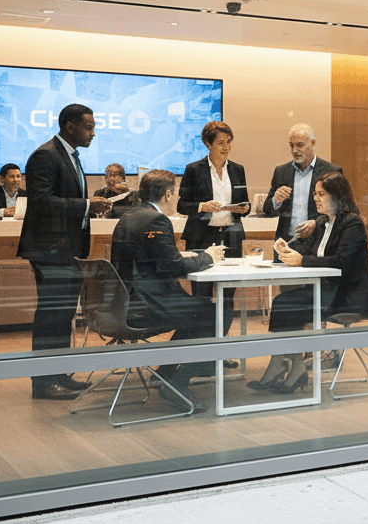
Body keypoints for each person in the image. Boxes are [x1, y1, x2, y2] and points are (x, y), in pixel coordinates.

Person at [250, 172, 368, 394]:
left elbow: (341, 262)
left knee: (286, 304)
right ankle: (291, 366)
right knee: (284, 302)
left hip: (353, 296)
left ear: (338, 196)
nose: (316, 198)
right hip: (332, 291)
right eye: (315, 194)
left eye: (321, 194)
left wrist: (302, 261)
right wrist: (288, 249)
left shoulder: (353, 224)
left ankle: (287, 366)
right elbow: (311, 251)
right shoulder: (323, 222)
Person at [18, 103, 113, 399]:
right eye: (89, 127)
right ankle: (44, 383)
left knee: (63, 315)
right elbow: (42, 202)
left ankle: (59, 374)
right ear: (70, 127)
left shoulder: (70, 155)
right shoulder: (46, 155)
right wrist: (87, 205)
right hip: (50, 250)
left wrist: (90, 209)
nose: (94, 133)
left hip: (67, 249)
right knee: (51, 315)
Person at [111, 169, 224, 413]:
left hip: (123, 304)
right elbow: (173, 266)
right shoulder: (156, 220)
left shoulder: (130, 217)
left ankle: (166, 373)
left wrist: (177, 256)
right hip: (147, 306)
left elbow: (153, 259)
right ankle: (177, 380)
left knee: (196, 311)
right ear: (168, 194)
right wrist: (208, 257)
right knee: (218, 311)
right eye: (176, 195)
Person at [177, 121, 250, 338]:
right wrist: (201, 206)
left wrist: (244, 208)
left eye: (229, 142)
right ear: (208, 144)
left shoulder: (238, 169)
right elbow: (182, 205)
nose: (226, 147)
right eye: (220, 143)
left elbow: (243, 203)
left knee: (228, 294)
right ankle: (201, 349)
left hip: (231, 236)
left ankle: (221, 347)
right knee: (202, 295)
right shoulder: (193, 170)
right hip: (201, 237)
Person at [262, 123, 342, 242]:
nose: (294, 150)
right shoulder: (281, 172)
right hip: (286, 241)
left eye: (300, 145)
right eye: (291, 145)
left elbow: (340, 209)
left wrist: (316, 223)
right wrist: (276, 201)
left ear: (313, 143)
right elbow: (267, 210)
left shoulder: (331, 171)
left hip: (318, 240)